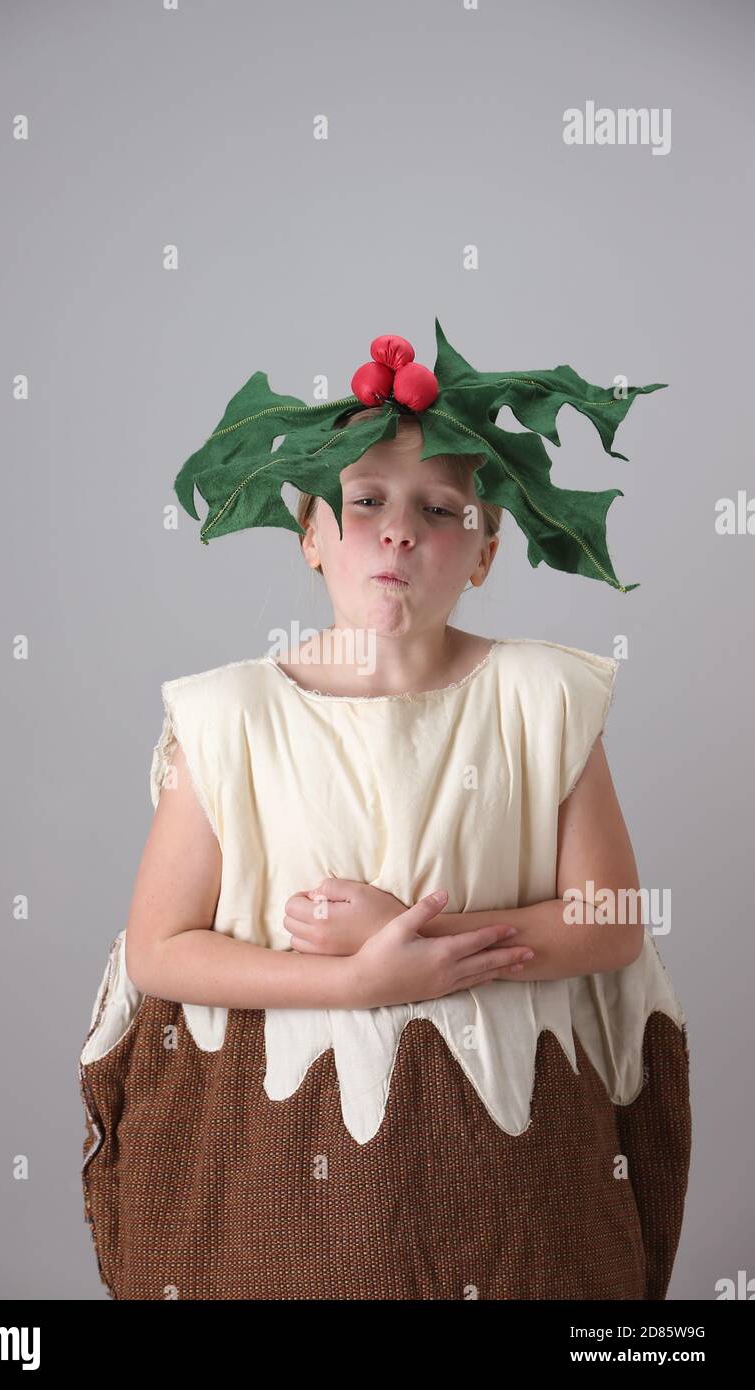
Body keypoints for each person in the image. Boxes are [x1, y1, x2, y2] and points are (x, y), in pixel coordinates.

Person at [78, 326, 691, 1300]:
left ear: (484, 549)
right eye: (364, 502)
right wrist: (361, 982)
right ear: (311, 536)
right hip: (271, 1183)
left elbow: (607, 921)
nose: (398, 531)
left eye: (437, 509)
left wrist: (422, 940)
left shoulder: (539, 698)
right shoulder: (231, 715)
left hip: (504, 1182)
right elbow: (157, 949)